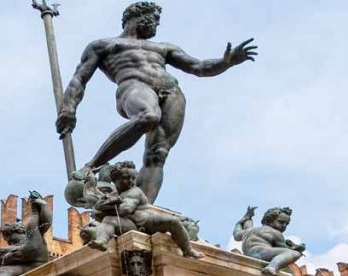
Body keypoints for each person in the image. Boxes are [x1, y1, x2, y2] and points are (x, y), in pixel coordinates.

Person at [56, 1, 257, 203]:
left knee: (158, 153)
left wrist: (225, 63)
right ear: (135, 17)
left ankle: (140, 206)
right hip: (134, 86)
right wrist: (69, 108)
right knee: (148, 116)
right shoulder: (104, 45)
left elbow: (199, 67)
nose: (156, 25)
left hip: (172, 93)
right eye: (154, 19)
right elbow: (79, 79)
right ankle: (92, 165)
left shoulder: (164, 48)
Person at [86, 161, 203, 259]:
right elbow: (97, 210)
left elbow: (126, 209)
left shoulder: (134, 191)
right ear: (115, 180)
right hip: (131, 225)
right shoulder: (115, 194)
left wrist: (107, 205)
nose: (130, 181)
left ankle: (187, 249)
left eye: (132, 178)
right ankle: (102, 240)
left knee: (172, 221)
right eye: (125, 178)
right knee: (108, 220)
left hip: (146, 222)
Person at [234, 206, 316, 276]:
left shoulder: (248, 231)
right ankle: (272, 266)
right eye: (281, 222)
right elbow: (285, 251)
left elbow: (236, 234)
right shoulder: (276, 233)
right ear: (269, 220)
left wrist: (242, 220)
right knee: (294, 254)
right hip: (263, 253)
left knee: (288, 272)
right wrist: (296, 248)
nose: (284, 226)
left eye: (286, 224)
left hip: (251, 255)